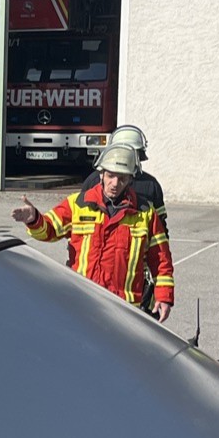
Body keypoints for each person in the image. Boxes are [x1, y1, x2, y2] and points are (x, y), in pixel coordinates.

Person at [12, 144, 175, 323]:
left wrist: (164, 296)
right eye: (110, 176)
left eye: (121, 178)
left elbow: (161, 259)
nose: (114, 183)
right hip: (81, 303)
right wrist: (34, 218)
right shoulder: (78, 204)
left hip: (125, 310)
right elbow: (49, 230)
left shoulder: (145, 213)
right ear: (101, 174)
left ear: (130, 180)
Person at [80, 124, 169, 312]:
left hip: (104, 285)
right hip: (133, 282)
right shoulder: (152, 185)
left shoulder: (93, 180)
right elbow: (162, 237)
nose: (115, 183)